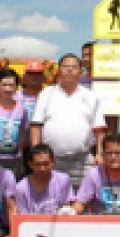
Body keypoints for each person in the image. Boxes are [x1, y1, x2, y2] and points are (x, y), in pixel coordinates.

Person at [30, 53, 107, 191]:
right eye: (66, 66)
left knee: (83, 200)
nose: (70, 70)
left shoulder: (91, 96)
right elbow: (36, 125)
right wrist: (35, 153)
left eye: (74, 67)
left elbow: (99, 129)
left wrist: (100, 154)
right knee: (52, 198)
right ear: (59, 70)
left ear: (80, 71)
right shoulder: (46, 94)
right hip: (51, 160)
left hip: (83, 161)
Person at [0, 68, 29, 181]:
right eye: (4, 85)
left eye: (11, 85)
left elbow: (23, 134)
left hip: (14, 160)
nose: (8, 88)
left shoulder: (22, 109)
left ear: (16, 87)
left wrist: (21, 158)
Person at [15, 144, 76, 214]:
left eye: (46, 164)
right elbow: (22, 217)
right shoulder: (20, 188)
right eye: (38, 164)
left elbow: (67, 208)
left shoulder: (63, 180)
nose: (42, 168)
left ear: (53, 162)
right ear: (30, 164)